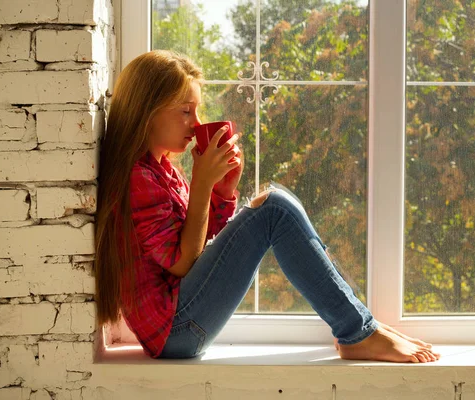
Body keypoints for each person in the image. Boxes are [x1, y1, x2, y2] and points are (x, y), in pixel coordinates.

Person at [94, 49, 441, 363]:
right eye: (185, 111)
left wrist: (222, 192)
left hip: (180, 322)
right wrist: (201, 183)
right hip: (176, 330)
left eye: (197, 111)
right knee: (273, 208)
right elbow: (183, 264)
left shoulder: (162, 170)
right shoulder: (137, 178)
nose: (197, 124)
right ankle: (358, 332)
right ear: (147, 112)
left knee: (273, 199)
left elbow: (200, 249)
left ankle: (360, 327)